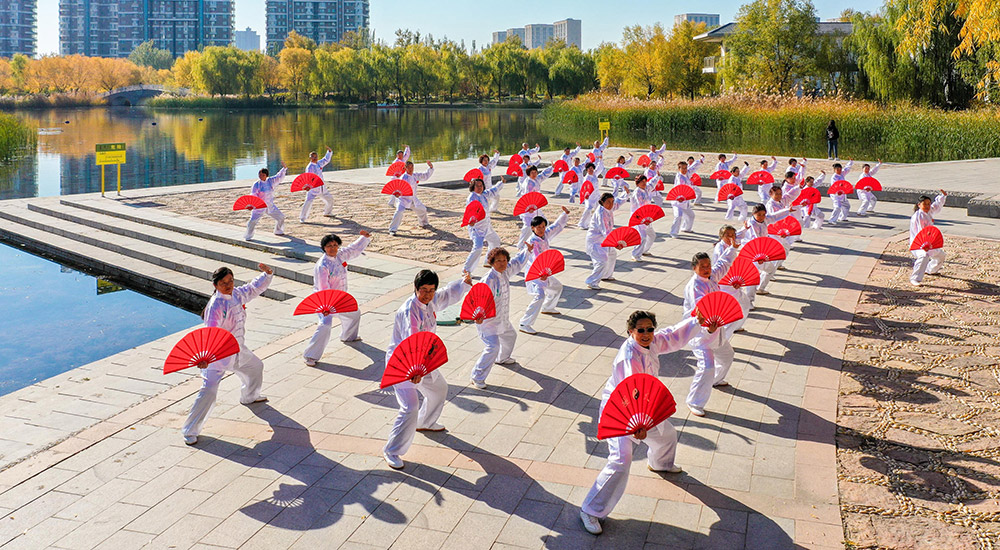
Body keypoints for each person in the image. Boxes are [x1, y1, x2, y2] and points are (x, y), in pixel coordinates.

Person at [579, 310, 706, 535]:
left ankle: (661, 463)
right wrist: (638, 425)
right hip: (620, 410)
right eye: (640, 330)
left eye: (649, 329)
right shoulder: (629, 356)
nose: (646, 334)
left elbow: (673, 335)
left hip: (644, 406)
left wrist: (697, 321)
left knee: (666, 435)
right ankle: (590, 509)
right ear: (630, 331)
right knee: (621, 459)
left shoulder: (653, 342)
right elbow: (630, 390)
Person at [383, 269, 473, 470]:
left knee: (439, 389)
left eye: (431, 290)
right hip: (404, 364)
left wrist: (464, 283)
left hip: (424, 361)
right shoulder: (409, 311)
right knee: (410, 407)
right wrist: (414, 370)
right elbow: (411, 341)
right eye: (423, 290)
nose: (428, 294)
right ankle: (392, 450)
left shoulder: (430, 301)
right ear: (415, 289)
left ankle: (425, 421)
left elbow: (447, 295)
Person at [182, 264, 273, 445]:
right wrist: (206, 357)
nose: (228, 285)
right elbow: (211, 333)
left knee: (255, 367)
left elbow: (253, 288)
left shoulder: (237, 294)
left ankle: (249, 396)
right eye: (224, 282)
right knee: (209, 390)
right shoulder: (216, 305)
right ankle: (190, 430)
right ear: (216, 285)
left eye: (230, 280)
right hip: (218, 354)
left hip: (238, 348)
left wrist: (267, 274)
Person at [303, 231, 372, 366]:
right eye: (329, 246)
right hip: (325, 301)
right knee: (325, 325)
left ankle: (348, 336)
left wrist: (364, 238)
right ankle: (310, 355)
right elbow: (323, 288)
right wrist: (327, 307)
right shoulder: (322, 266)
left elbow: (353, 249)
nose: (333, 248)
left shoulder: (340, 256)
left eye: (335, 245)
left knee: (354, 314)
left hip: (341, 298)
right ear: (324, 248)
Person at [684, 248, 738, 417]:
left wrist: (733, 248)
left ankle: (715, 380)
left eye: (708, 265)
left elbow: (723, 264)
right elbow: (700, 309)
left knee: (728, 355)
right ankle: (694, 402)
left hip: (717, 330)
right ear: (694, 268)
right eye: (702, 266)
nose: (707, 269)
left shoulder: (711, 277)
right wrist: (708, 327)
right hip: (701, 333)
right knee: (707, 366)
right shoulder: (695, 286)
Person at [470, 246, 531, 389]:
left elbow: (517, 263)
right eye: (498, 261)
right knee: (493, 346)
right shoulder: (488, 279)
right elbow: (479, 298)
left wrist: (527, 251)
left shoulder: (505, 273)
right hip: (487, 321)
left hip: (502, 318)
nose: (502, 263)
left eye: (504, 260)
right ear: (491, 262)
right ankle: (477, 376)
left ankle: (502, 358)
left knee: (511, 336)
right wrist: (478, 315)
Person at [519, 207, 570, 335]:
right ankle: (525, 323)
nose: (541, 229)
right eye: (538, 227)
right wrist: (542, 272)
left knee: (557, 287)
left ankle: (548, 307)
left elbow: (556, 226)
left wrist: (564, 214)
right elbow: (537, 258)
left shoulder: (545, 234)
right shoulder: (532, 241)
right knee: (539, 296)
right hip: (535, 273)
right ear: (532, 228)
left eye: (543, 226)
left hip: (545, 272)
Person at [737, 203, 794, 297]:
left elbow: (775, 216)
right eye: (758, 215)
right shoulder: (751, 224)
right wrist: (760, 256)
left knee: (769, 270)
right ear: (753, 214)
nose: (761, 217)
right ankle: (750, 299)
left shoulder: (765, 219)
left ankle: (759, 289)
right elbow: (755, 240)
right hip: (753, 252)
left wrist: (788, 210)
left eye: (763, 214)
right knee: (754, 276)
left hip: (760, 252)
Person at [585, 189, 629, 289]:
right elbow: (605, 230)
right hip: (595, 241)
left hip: (605, 239)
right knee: (602, 261)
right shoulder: (600, 213)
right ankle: (591, 281)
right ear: (602, 202)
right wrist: (615, 243)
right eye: (608, 202)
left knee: (612, 255)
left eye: (612, 201)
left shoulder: (609, 209)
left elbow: (618, 202)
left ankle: (606, 275)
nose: (611, 204)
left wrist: (626, 193)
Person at [713, 225, 751, 333]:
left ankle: (736, 326)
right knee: (733, 311)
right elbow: (722, 266)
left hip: (731, 282)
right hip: (726, 284)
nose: (730, 237)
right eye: (727, 235)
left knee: (744, 304)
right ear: (721, 236)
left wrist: (745, 228)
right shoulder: (721, 249)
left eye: (732, 235)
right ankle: (724, 337)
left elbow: (739, 235)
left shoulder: (730, 244)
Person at [463, 177, 504, 274]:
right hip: (477, 228)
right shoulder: (472, 197)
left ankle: (488, 260)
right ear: (473, 187)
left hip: (487, 225)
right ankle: (466, 270)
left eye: (481, 185)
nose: (479, 187)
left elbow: (493, 190)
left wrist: (501, 182)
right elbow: (469, 211)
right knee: (478, 248)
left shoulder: (484, 194)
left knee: (495, 241)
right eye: (477, 186)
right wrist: (470, 221)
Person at [909, 191, 948, 286]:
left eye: (928, 204)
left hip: (929, 243)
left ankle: (930, 269)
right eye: (924, 204)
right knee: (924, 256)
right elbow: (920, 232)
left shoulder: (929, 211)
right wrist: (924, 245)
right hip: (919, 244)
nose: (927, 206)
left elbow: (937, 206)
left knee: (941, 255)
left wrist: (943, 196)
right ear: (919, 205)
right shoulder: (918, 216)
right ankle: (915, 278)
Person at [388, 160, 434, 236]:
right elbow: (398, 187)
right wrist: (396, 193)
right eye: (409, 167)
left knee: (422, 209)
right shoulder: (403, 177)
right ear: (405, 168)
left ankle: (424, 223)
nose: (411, 169)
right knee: (399, 211)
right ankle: (392, 229)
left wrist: (430, 167)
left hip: (413, 199)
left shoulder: (415, 175)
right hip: (403, 199)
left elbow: (425, 175)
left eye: (412, 167)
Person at [245, 163, 288, 241]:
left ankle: (278, 231)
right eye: (259, 175)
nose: (260, 176)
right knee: (252, 221)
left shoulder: (271, 181)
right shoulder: (257, 184)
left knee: (281, 217)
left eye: (262, 175)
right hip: (259, 206)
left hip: (269, 205)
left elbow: (278, 177)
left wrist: (284, 169)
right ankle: (248, 235)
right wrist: (252, 204)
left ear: (266, 175)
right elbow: (253, 195)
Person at [517, 165, 556, 243]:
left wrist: (551, 167)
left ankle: (539, 238)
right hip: (529, 208)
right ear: (528, 173)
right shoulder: (528, 183)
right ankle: (521, 244)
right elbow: (527, 196)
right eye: (532, 173)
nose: (534, 174)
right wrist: (529, 207)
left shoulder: (537, 179)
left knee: (544, 223)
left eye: (535, 172)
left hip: (536, 206)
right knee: (528, 227)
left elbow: (543, 174)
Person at [300, 147, 335, 222]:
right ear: (310, 158)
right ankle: (302, 218)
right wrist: (308, 186)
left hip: (322, 188)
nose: (315, 158)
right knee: (308, 202)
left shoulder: (319, 163)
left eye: (316, 157)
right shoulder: (309, 167)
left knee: (330, 199)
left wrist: (329, 152)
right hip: (313, 188)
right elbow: (308, 177)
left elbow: (326, 160)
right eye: (313, 157)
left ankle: (327, 212)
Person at [629, 175, 656, 261]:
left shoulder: (645, 190)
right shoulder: (637, 192)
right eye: (642, 182)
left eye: (645, 181)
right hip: (639, 217)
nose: (644, 183)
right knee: (642, 236)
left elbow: (652, 184)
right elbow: (640, 206)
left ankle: (644, 250)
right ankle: (635, 254)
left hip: (646, 217)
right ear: (638, 183)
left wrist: (657, 177)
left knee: (652, 235)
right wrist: (644, 219)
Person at [669, 162, 695, 237]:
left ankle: (686, 228)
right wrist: (680, 196)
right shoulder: (679, 177)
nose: (684, 170)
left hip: (685, 201)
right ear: (679, 168)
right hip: (677, 201)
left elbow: (693, 168)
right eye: (682, 168)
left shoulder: (686, 176)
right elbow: (680, 187)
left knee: (691, 215)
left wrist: (700, 161)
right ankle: (673, 232)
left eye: (685, 168)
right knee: (678, 216)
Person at [577, 163, 602, 228]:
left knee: (599, 209)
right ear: (587, 170)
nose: (591, 170)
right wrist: (586, 194)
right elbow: (585, 188)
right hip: (589, 196)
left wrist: (600, 160)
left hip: (597, 196)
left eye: (592, 168)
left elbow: (600, 168)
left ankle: (597, 223)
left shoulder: (594, 175)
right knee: (588, 209)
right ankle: (582, 223)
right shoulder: (586, 178)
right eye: (589, 169)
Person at [828, 161, 853, 225]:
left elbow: (847, 168)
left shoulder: (842, 174)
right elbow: (834, 186)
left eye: (840, 169)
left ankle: (842, 217)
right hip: (836, 194)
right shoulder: (834, 177)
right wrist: (838, 192)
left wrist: (850, 162)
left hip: (843, 194)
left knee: (847, 206)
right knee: (837, 207)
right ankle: (831, 220)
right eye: (837, 169)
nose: (839, 170)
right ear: (834, 170)